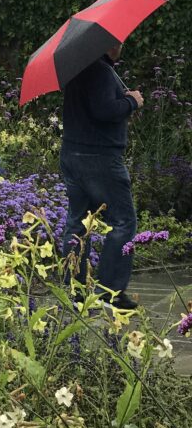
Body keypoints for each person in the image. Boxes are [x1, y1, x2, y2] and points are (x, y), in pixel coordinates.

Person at [59, 43, 144, 310]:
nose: (122, 45)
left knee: (78, 223)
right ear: (109, 43)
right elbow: (104, 110)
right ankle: (110, 293)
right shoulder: (101, 71)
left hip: (72, 154)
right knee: (123, 222)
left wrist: (123, 99)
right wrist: (132, 101)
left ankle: (74, 291)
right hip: (100, 159)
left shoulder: (77, 70)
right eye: (119, 40)